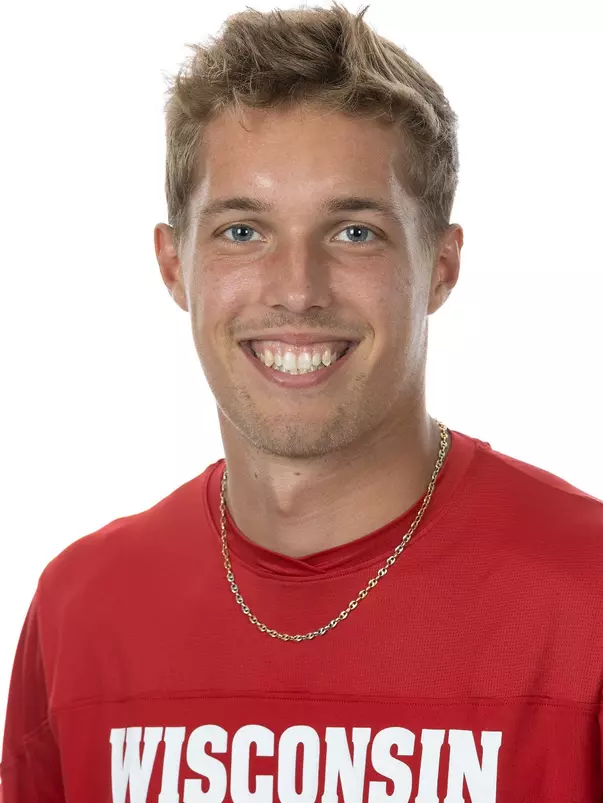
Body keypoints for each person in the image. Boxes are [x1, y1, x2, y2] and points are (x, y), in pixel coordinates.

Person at [2, 3, 602, 801]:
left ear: (442, 267)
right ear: (173, 265)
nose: (295, 290)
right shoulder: (82, 613)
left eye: (354, 232)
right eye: (242, 231)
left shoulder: (585, 603)